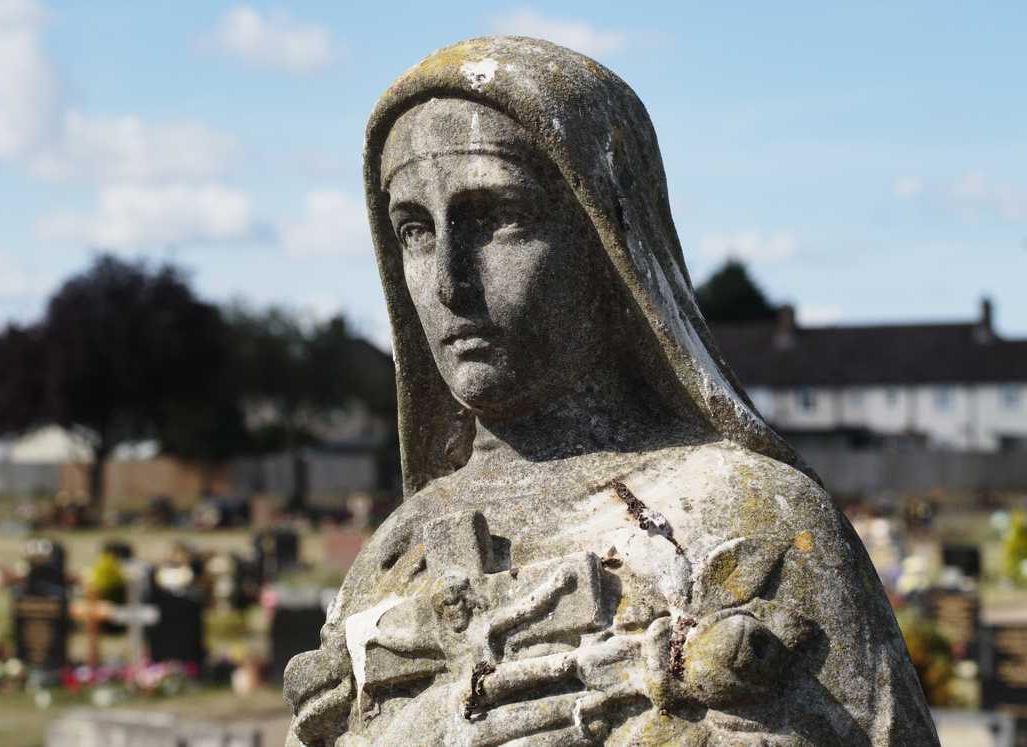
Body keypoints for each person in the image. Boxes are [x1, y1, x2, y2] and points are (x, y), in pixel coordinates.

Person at [283, 36, 937, 746]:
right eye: (414, 229)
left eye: (496, 218)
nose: (448, 283)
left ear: (608, 236)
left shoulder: (754, 516)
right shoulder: (393, 555)